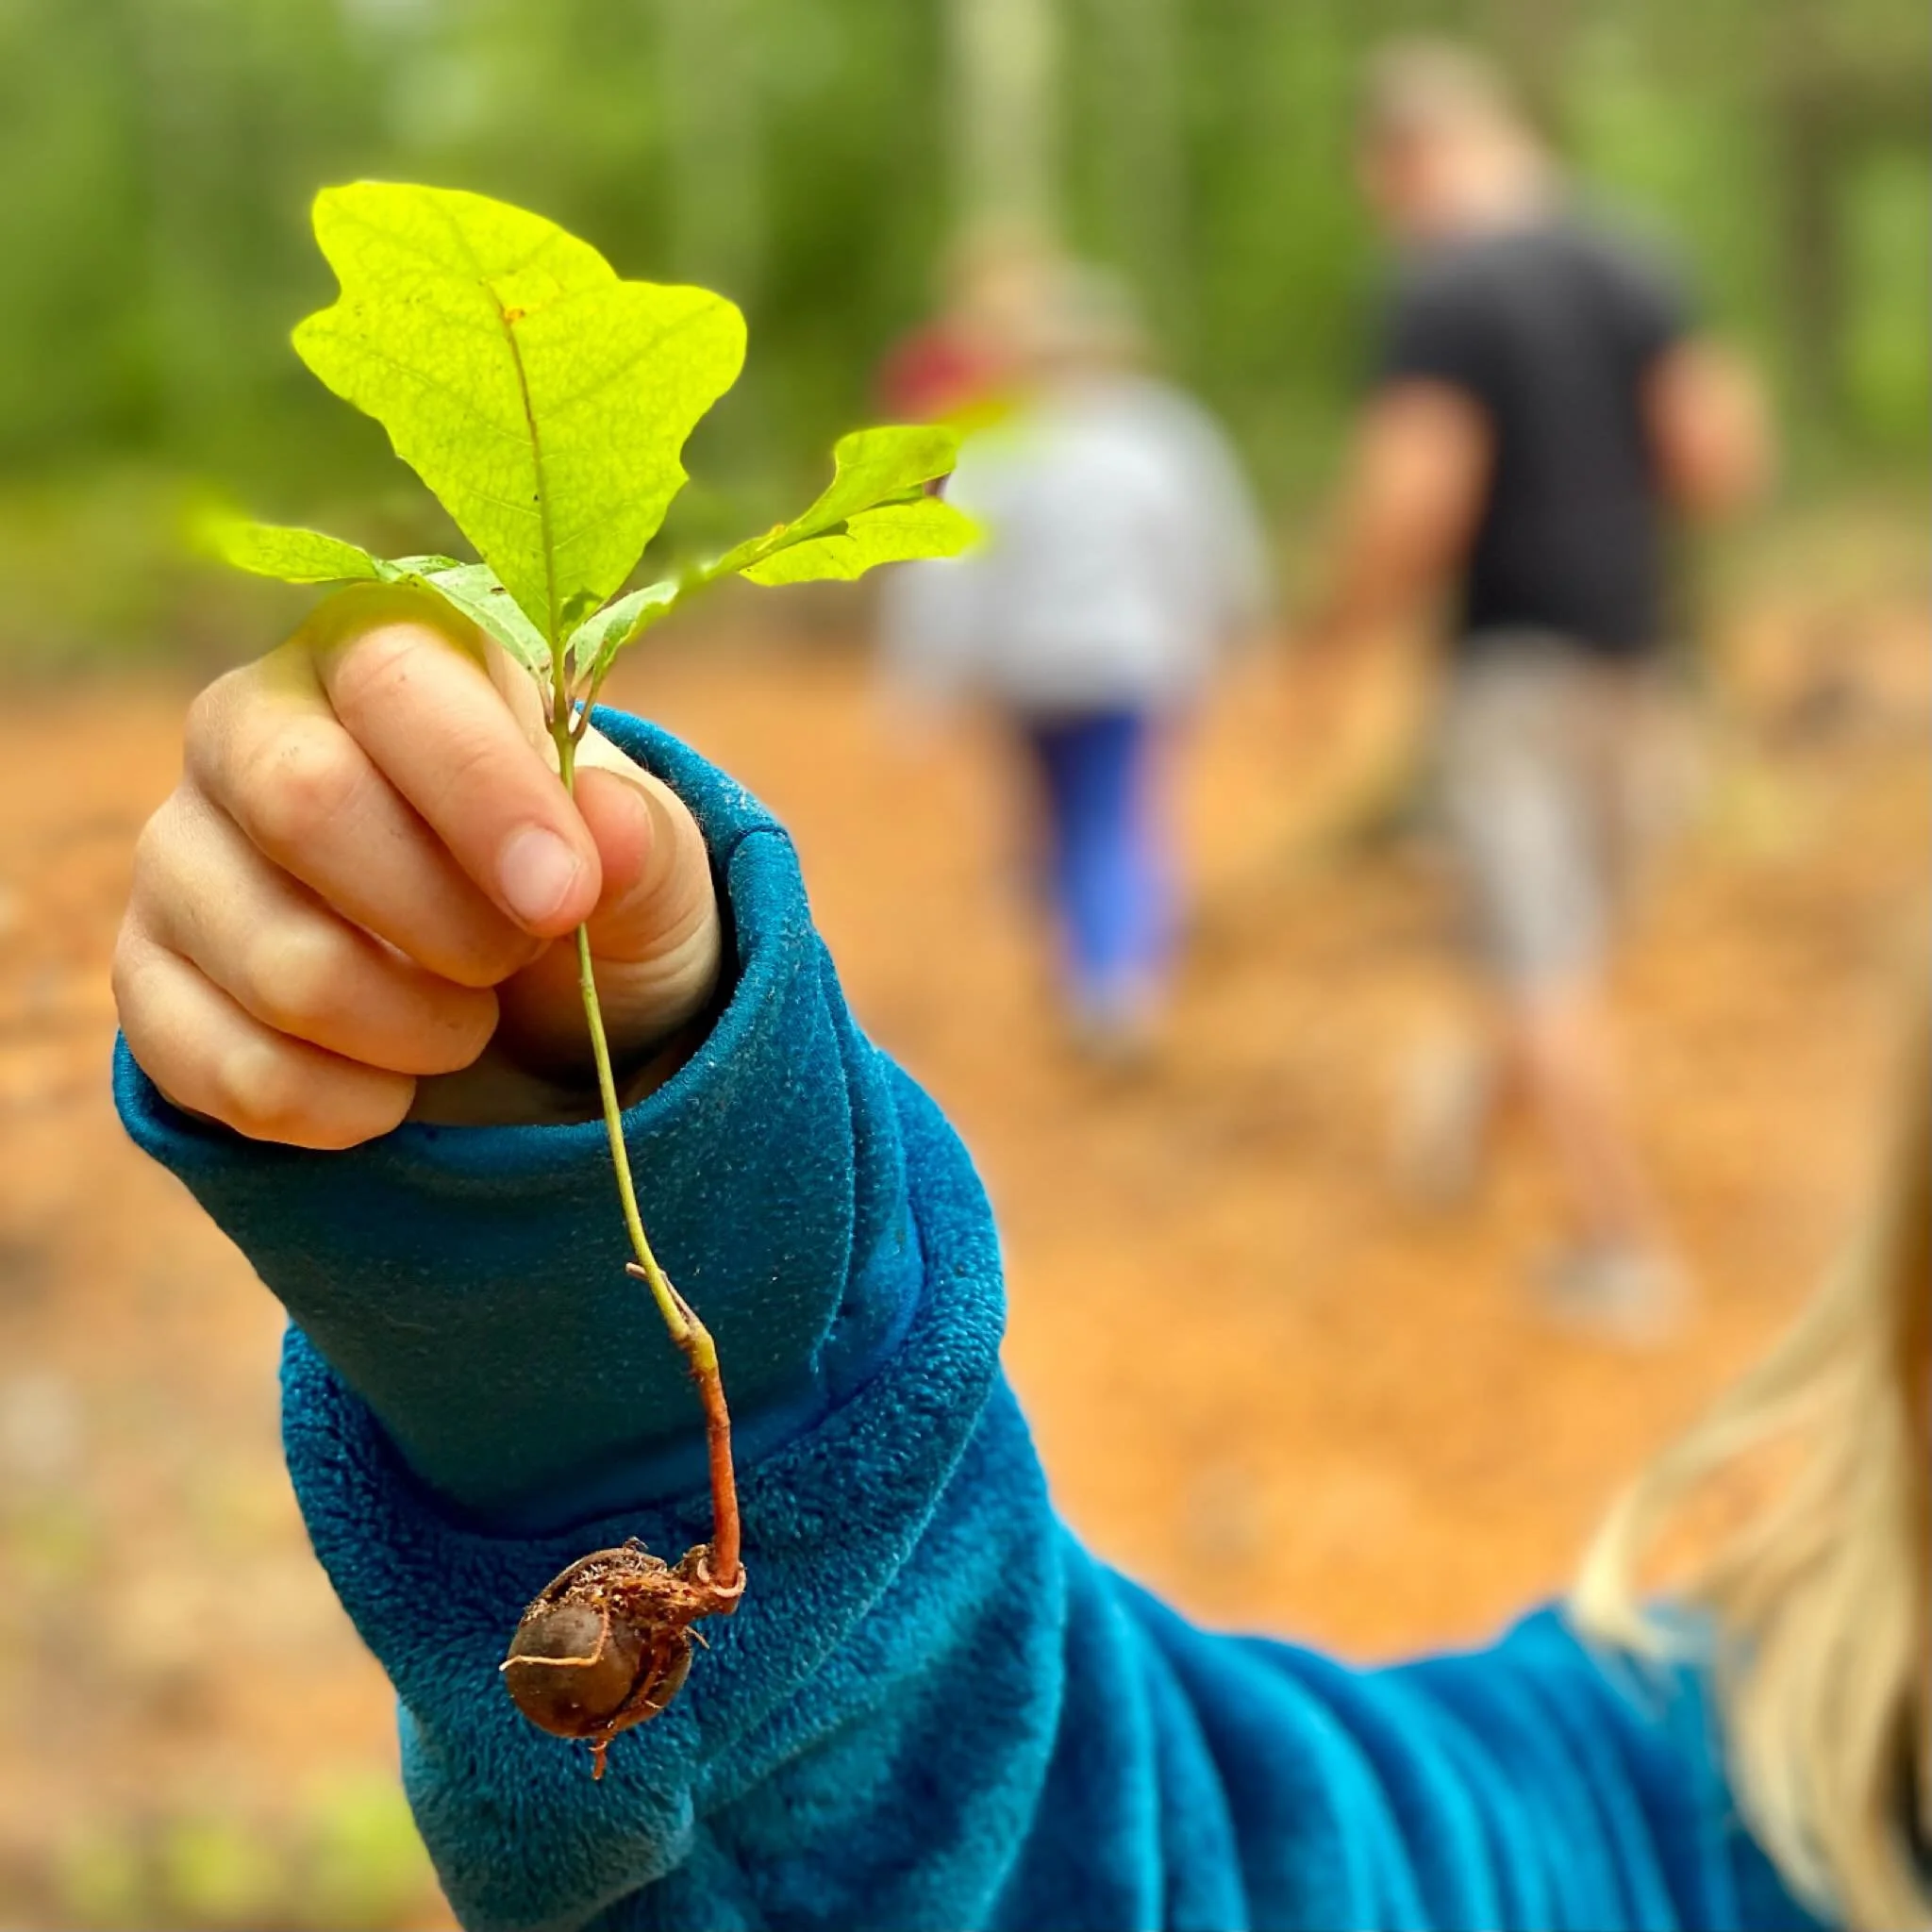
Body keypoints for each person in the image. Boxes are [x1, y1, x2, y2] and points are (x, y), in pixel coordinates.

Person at [112, 593, 1923, 1930]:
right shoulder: (1697, 1820)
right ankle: (1099, 965)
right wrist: (623, 1213)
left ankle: (1104, 961)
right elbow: (1010, 1814)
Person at [1295, 42, 1773, 1333]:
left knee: (1544, 954)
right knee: (1566, 943)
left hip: (1513, 667)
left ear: (1398, 161)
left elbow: (1417, 494)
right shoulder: (1635, 255)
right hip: (1643, 656)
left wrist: (1337, 639)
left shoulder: (1441, 288)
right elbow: (1721, 456)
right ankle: (1464, 1120)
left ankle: (1623, 1251)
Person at [882, 255, 1270, 1058]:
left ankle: (1100, 977)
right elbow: (1212, 546)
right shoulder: (1164, 435)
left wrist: (921, 683)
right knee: (1112, 819)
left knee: (1070, 819)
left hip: (1034, 672)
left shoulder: (1002, 442)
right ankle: (1113, 979)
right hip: (1130, 663)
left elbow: (948, 567)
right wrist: (1235, 635)